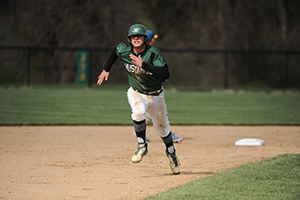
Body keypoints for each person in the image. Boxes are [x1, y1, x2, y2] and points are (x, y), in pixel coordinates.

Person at [97, 24, 180, 174]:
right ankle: (142, 146)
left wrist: (144, 65)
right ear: (129, 39)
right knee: (138, 112)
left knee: (163, 128)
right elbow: (115, 52)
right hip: (137, 92)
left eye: (139, 36)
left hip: (156, 95)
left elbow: (165, 73)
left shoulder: (153, 53)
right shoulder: (125, 50)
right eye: (133, 36)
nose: (136, 38)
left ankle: (171, 152)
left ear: (145, 39)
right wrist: (106, 69)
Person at [144, 30, 183, 143]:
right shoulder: (151, 53)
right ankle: (167, 133)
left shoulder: (140, 51)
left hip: (146, 85)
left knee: (155, 109)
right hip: (150, 86)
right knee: (158, 109)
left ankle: (141, 129)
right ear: (151, 40)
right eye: (153, 38)